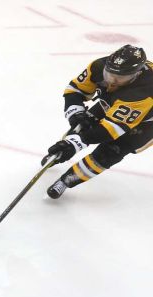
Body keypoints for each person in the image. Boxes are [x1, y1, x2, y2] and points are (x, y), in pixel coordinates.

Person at [44, 45, 153, 198]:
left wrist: (79, 141)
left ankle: (67, 180)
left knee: (111, 151)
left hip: (147, 123)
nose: (112, 81)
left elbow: (110, 130)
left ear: (135, 74)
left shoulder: (143, 92)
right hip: (120, 102)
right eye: (109, 74)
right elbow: (75, 90)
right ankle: (60, 152)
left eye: (120, 78)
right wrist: (75, 114)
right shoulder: (98, 66)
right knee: (82, 125)